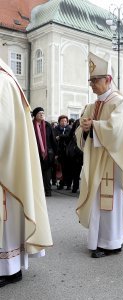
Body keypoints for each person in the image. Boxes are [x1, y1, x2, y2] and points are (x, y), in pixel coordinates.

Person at [75, 52, 123, 258]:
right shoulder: (91, 106)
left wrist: (94, 125)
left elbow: (117, 131)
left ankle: (112, 243)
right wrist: (85, 129)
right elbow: (80, 134)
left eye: (96, 80)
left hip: (112, 161)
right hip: (95, 160)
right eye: (91, 80)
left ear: (109, 80)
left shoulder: (118, 103)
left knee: (110, 200)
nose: (92, 84)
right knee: (97, 200)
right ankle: (98, 239)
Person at [0, 58, 53, 287]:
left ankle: (9, 269)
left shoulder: (2, 81)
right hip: (8, 164)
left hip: (6, 165)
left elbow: (4, 126)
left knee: (6, 216)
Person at [32, 107, 57, 197]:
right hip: (35, 153)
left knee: (47, 174)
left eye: (43, 113)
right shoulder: (31, 125)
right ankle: (37, 192)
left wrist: (56, 153)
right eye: (39, 113)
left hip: (47, 154)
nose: (42, 114)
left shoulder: (47, 125)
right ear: (35, 115)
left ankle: (48, 191)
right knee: (36, 173)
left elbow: (53, 139)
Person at [53, 115, 72, 190]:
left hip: (68, 152)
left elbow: (69, 136)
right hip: (59, 152)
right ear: (59, 122)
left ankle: (69, 184)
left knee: (68, 169)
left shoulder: (69, 129)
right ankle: (61, 183)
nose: (63, 122)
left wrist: (60, 136)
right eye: (62, 121)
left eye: (65, 121)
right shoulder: (55, 129)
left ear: (67, 122)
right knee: (60, 169)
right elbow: (54, 138)